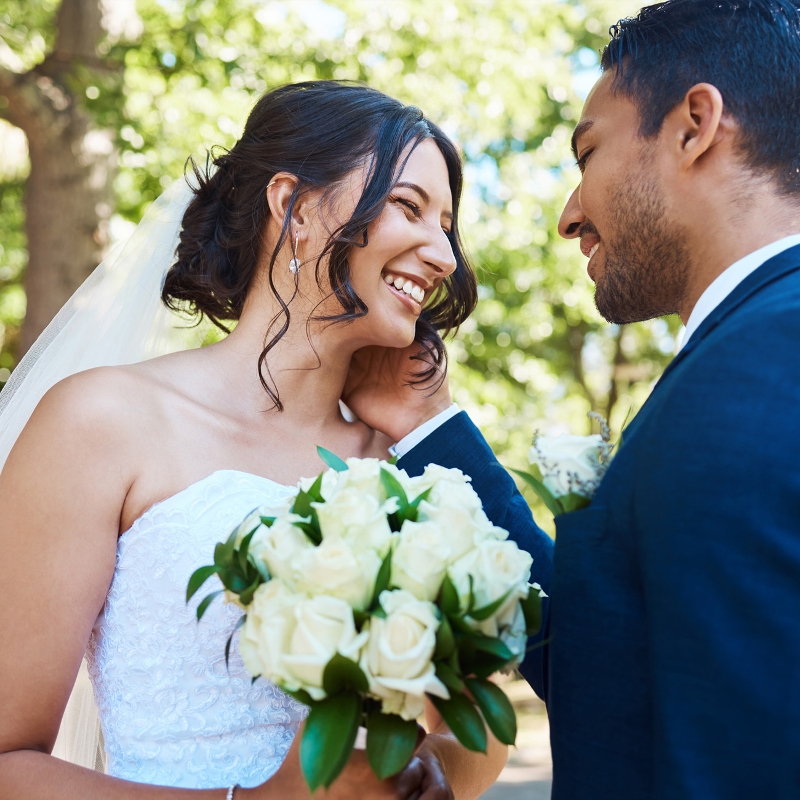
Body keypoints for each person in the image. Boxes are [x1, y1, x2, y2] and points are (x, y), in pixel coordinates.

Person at [0, 81, 510, 799]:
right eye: (409, 207)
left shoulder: (401, 464)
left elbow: (479, 726)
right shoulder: (103, 421)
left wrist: (433, 767)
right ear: (294, 206)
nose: (445, 256)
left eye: (448, 225)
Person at [378, 0, 800, 797]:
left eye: (587, 153)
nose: (570, 216)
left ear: (694, 125)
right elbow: (611, 656)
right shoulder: (740, 355)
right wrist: (425, 424)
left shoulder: (765, 367)